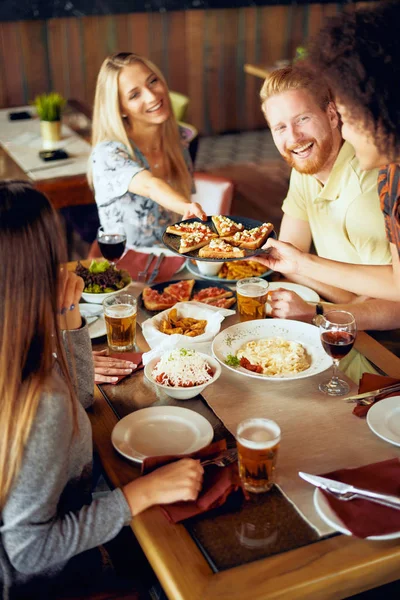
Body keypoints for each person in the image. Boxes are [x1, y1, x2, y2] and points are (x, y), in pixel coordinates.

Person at [0, 181, 203, 598]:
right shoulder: (39, 404)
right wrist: (140, 494)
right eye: (55, 254)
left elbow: (79, 402)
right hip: (52, 584)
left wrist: (67, 314)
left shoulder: (16, 355)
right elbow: (29, 550)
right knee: (183, 567)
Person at [258, 1, 400, 303]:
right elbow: (292, 259)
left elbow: (394, 295)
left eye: (303, 119)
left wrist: (321, 314)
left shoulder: (378, 186)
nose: (294, 137)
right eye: (279, 127)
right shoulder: (306, 164)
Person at [88, 52, 206, 248]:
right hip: (129, 270)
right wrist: (185, 206)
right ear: (120, 109)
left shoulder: (179, 138)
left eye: (152, 81)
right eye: (135, 95)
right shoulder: (107, 154)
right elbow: (151, 186)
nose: (152, 96)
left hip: (177, 261)